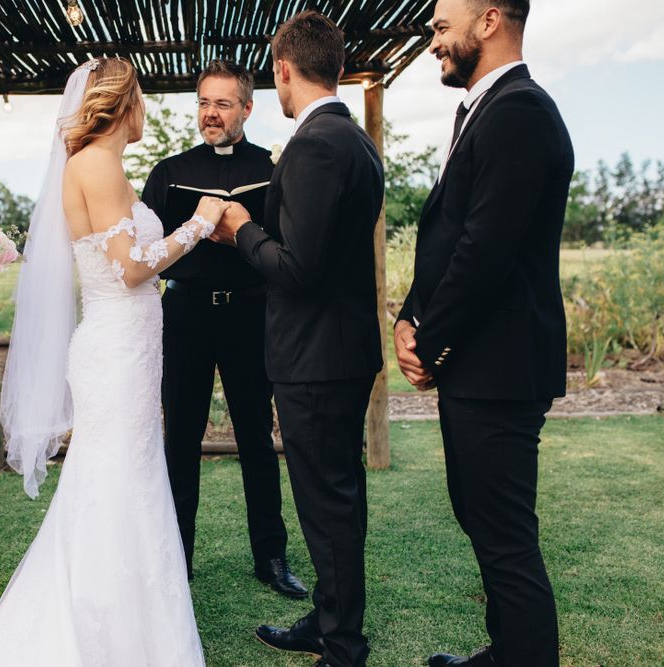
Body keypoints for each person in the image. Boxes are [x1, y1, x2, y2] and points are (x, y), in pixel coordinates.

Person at [0, 58, 229, 666]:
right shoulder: (98, 164)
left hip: (124, 347)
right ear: (121, 104)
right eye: (141, 99)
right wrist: (198, 224)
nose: (145, 111)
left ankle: (130, 624)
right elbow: (129, 268)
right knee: (119, 482)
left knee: (123, 479)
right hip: (116, 350)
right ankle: (105, 633)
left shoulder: (100, 165)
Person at [393, 1, 573, 665]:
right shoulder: (481, 111)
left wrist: (430, 338)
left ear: (490, 20)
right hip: (477, 363)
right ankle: (507, 652)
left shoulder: (520, 113)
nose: (434, 40)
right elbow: (446, 236)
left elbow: (485, 250)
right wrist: (410, 315)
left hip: (499, 366)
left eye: (442, 27)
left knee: (505, 537)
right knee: (482, 518)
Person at [213, 11, 384, 667]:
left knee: (327, 504)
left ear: (283, 70)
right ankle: (330, 618)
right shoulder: (356, 140)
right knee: (338, 499)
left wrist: (241, 230)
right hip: (340, 351)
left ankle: (342, 645)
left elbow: (300, 269)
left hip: (315, 357)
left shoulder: (315, 146)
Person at [141, 59, 306, 599]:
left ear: (247, 109)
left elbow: (287, 245)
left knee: (258, 439)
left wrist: (242, 232)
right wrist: (194, 232)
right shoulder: (168, 171)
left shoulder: (273, 166)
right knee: (180, 439)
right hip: (185, 315)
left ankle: (272, 557)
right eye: (204, 103)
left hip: (250, 314)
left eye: (223, 104)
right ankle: (176, 558)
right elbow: (147, 249)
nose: (211, 115)